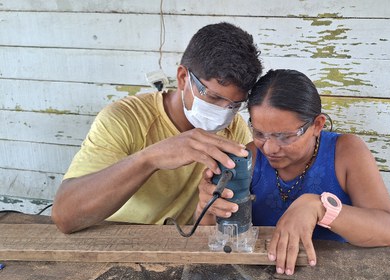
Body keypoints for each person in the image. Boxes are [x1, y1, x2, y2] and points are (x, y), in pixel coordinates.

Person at [51, 22, 263, 234]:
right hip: (113, 240)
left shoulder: (234, 129)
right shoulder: (125, 119)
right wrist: (149, 159)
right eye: (214, 97)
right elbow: (65, 216)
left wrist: (207, 208)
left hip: (176, 246)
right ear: (183, 78)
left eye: (234, 105)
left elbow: (210, 217)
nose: (223, 112)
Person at [197, 69, 390, 275]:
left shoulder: (345, 152)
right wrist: (208, 205)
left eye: (285, 136)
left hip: (334, 275)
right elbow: (207, 233)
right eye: (259, 133)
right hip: (259, 275)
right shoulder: (250, 157)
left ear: (317, 125)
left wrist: (320, 207)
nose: (270, 148)